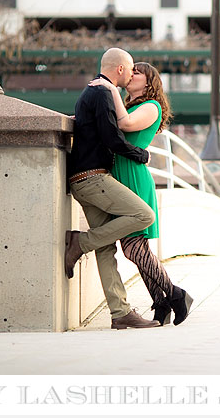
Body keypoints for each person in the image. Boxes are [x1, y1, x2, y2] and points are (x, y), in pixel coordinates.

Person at [88, 62, 194, 326]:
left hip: (134, 177)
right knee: (136, 247)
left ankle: (176, 294)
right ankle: (161, 304)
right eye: (131, 70)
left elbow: (124, 124)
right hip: (121, 176)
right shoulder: (130, 103)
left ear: (149, 82)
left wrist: (109, 87)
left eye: (137, 72)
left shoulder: (151, 107)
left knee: (133, 248)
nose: (131, 74)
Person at [64, 47, 160, 330]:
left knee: (105, 248)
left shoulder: (93, 91)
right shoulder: (103, 92)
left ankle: (120, 313)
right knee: (144, 215)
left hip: (81, 179)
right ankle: (79, 243)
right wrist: (140, 155)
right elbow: (112, 136)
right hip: (93, 178)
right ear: (120, 69)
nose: (131, 75)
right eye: (130, 70)